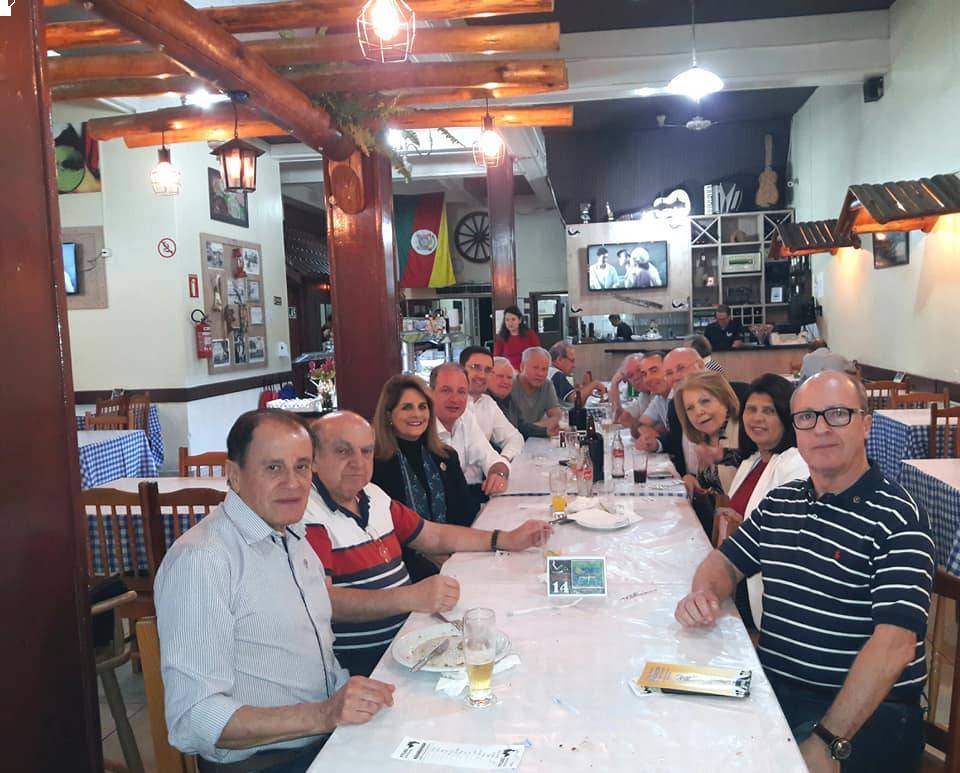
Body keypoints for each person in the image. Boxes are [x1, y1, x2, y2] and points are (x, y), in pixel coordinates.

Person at [675, 371, 934, 773]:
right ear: (795, 430)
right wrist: (703, 594)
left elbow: (894, 646)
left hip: (866, 713)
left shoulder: (898, 516)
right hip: (778, 693)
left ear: (866, 425)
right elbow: (723, 562)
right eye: (807, 417)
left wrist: (829, 741)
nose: (822, 429)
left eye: (838, 414)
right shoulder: (781, 503)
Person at [155, 409, 395, 771]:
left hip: (326, 740)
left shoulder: (292, 536)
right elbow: (193, 718)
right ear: (234, 474)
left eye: (302, 467)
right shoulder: (204, 560)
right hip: (266, 762)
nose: (293, 483)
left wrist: (353, 698)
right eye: (273, 468)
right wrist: (324, 714)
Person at [305, 411, 550, 677]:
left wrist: (505, 539)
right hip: (367, 667)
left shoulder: (371, 495)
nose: (358, 462)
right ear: (313, 459)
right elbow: (324, 601)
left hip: (410, 641)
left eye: (366, 451)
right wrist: (408, 597)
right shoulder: (308, 515)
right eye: (342, 451)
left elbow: (433, 536)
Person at [716, 374, 809, 629]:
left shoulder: (796, 464)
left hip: (766, 592)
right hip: (738, 578)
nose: (756, 418)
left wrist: (741, 527)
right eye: (751, 410)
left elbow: (789, 535)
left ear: (786, 417)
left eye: (768, 411)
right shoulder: (753, 460)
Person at [431, 363, 511, 507]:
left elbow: (492, 459)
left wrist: (498, 475)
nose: (455, 399)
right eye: (446, 390)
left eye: (461, 392)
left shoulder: (465, 418)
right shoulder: (421, 428)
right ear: (430, 393)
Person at [672, 370, 742, 534]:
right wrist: (693, 480)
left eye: (705, 401)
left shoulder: (742, 429)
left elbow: (751, 461)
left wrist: (721, 455)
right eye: (690, 408)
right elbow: (713, 490)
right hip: (719, 529)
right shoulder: (706, 437)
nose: (698, 412)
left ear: (724, 398)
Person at [459, 346, 523, 463]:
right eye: (475, 367)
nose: (482, 375)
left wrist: (502, 460)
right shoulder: (449, 403)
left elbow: (515, 438)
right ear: (461, 369)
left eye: (487, 370)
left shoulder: (488, 403)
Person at [510, 347, 562, 438]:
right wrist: (540, 427)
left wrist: (529, 429)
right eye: (535, 368)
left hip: (535, 437)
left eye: (544, 369)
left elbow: (557, 418)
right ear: (522, 366)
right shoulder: (509, 385)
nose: (540, 374)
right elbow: (511, 427)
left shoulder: (547, 385)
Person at [609, 353, 652, 430]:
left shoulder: (659, 394)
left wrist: (633, 423)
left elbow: (656, 430)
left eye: (639, 370)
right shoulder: (643, 395)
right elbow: (619, 417)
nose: (636, 377)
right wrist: (614, 384)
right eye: (630, 375)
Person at [493, 305, 541, 370]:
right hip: (509, 371)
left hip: (528, 370)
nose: (510, 323)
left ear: (520, 320)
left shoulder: (530, 334)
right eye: (507, 320)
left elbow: (538, 353)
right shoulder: (501, 337)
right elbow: (496, 358)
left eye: (513, 319)